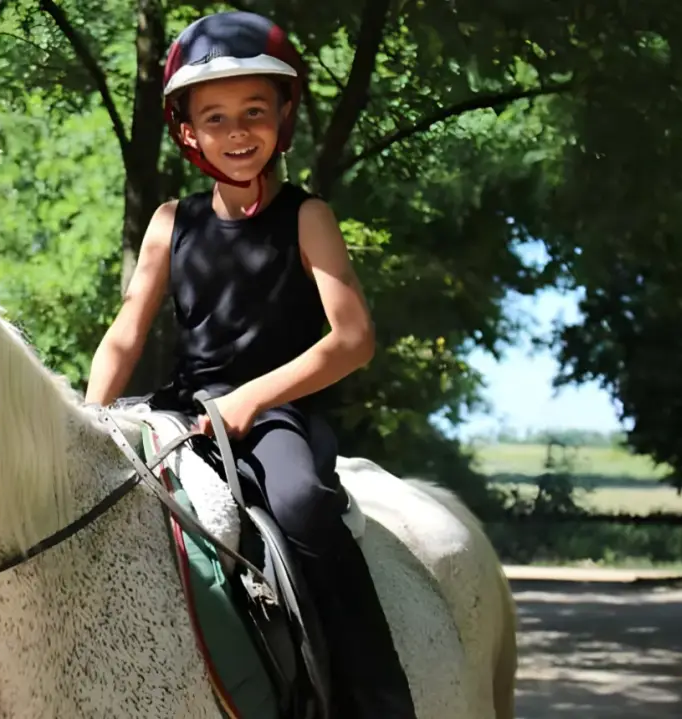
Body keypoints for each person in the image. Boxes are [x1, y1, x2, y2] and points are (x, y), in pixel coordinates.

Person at [83, 11, 418, 718]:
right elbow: (124, 335)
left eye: (254, 112)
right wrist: (90, 414)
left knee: (301, 502)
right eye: (216, 116)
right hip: (181, 407)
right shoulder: (172, 222)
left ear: (283, 116)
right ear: (187, 130)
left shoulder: (307, 216)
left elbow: (352, 337)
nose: (238, 132)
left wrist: (251, 400)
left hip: (277, 415)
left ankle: (368, 689)